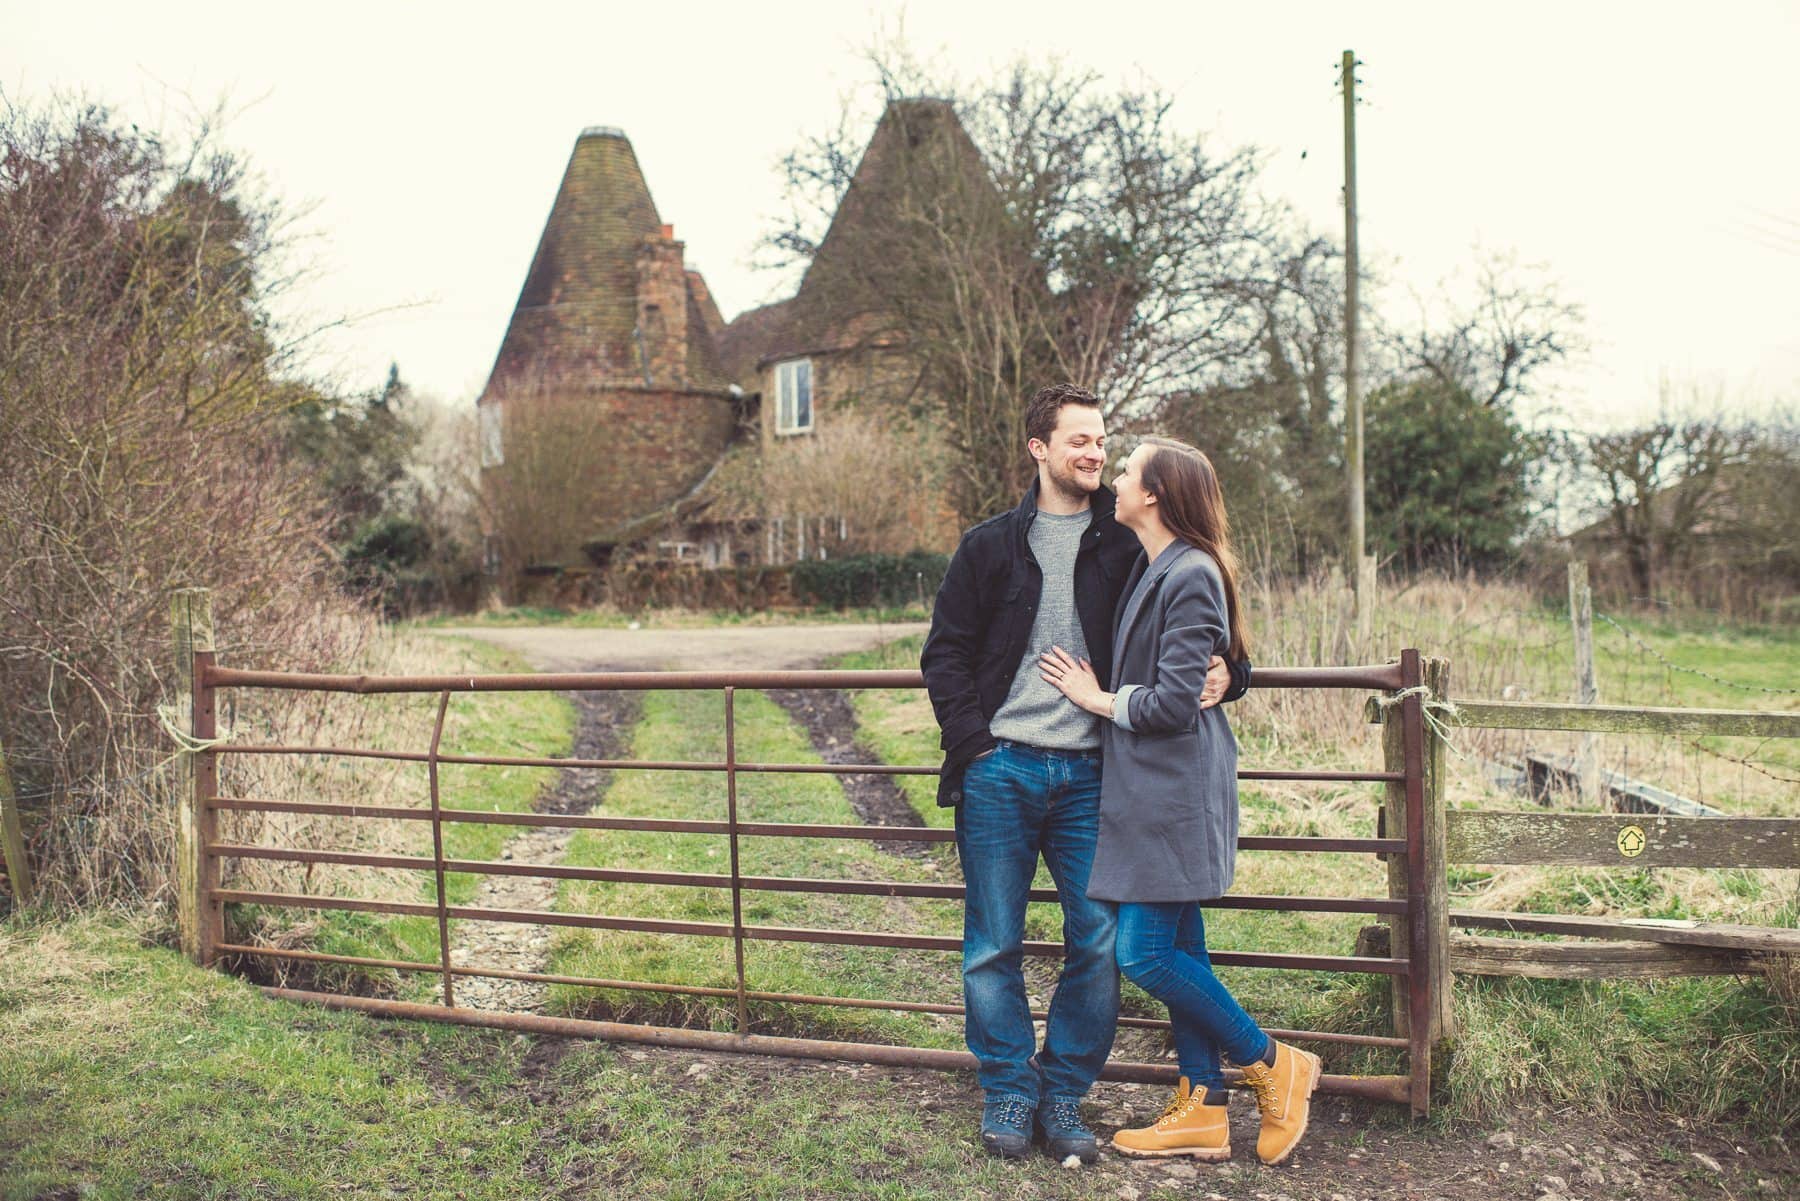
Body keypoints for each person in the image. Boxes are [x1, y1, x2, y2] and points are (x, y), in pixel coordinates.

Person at [921, 386, 1250, 1163]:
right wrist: (976, 746)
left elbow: (1211, 634)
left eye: (1102, 441)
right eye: (1079, 440)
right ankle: (1009, 1085)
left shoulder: (1128, 540)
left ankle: (1064, 1090)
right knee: (991, 944)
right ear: (1039, 448)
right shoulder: (988, 546)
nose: (1095, 453)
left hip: (1098, 775)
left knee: (1099, 943)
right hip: (1001, 770)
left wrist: (1227, 676)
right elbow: (945, 654)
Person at [1038, 435, 1320, 1167]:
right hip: (1151, 793)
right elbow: (1191, 671)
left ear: (1156, 493)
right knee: (1181, 943)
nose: (1117, 479)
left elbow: (1169, 705)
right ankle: (1201, 1103)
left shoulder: (1189, 572)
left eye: (1127, 470)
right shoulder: (1158, 565)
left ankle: (1272, 1062)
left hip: (1174, 793)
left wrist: (1096, 697)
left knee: (1144, 951)